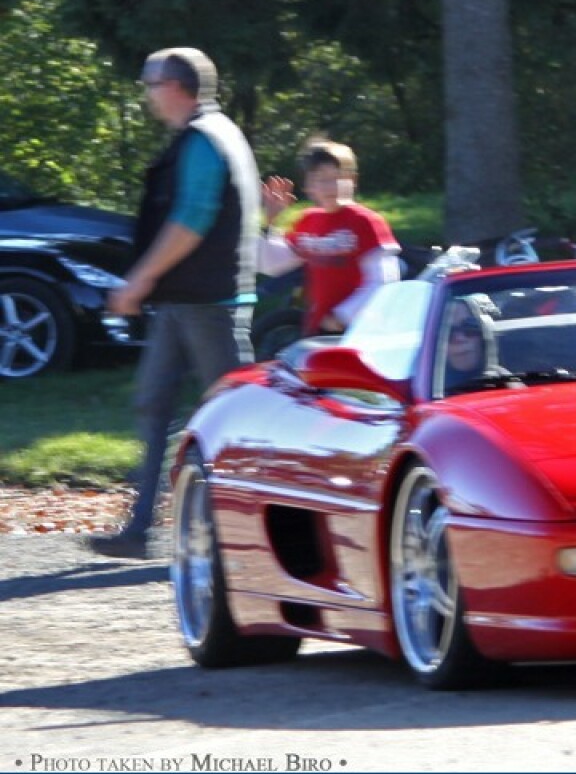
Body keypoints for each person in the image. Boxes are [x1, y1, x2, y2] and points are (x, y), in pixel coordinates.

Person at [87, 47, 261, 559]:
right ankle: (140, 530)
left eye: (151, 83)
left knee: (233, 422)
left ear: (178, 86)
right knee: (153, 404)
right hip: (186, 301)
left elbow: (192, 220)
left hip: (211, 304)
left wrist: (139, 280)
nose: (146, 93)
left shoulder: (207, 140)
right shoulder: (206, 135)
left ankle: (248, 539)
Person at [259, 140, 400, 336]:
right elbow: (274, 265)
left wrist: (343, 316)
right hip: (320, 328)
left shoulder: (366, 222)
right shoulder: (309, 220)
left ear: (353, 180)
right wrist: (270, 223)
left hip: (363, 331)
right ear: (308, 186)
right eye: (320, 179)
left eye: (338, 177)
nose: (330, 186)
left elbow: (384, 281)